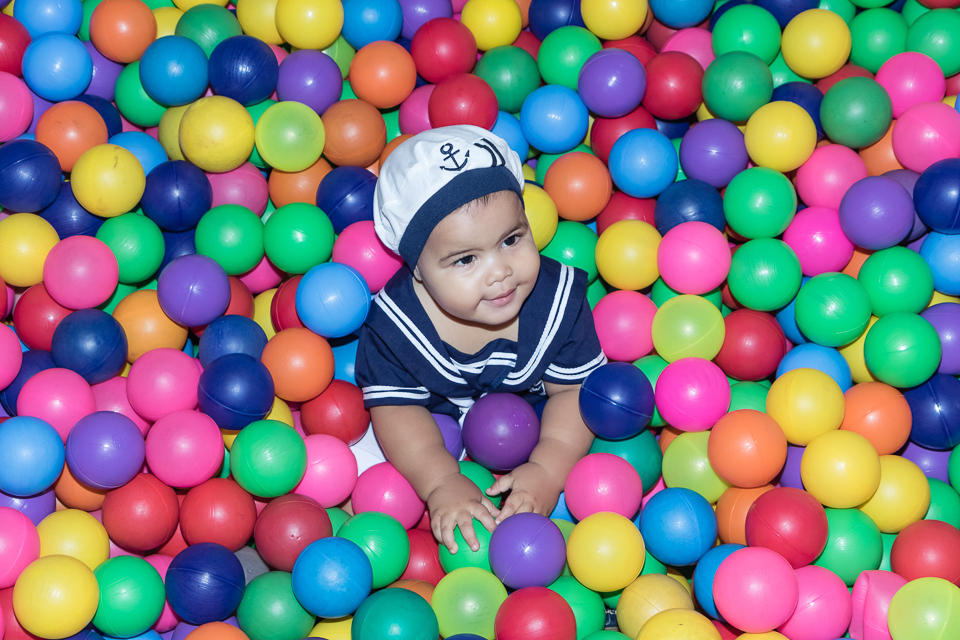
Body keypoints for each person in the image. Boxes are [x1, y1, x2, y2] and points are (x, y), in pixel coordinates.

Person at [355, 125, 606, 554]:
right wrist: (440, 480)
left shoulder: (558, 304)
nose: (499, 272)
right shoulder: (396, 329)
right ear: (417, 269)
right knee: (364, 463)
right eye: (466, 259)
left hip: (531, 423)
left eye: (511, 239)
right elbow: (396, 409)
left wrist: (548, 468)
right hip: (433, 426)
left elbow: (571, 393)